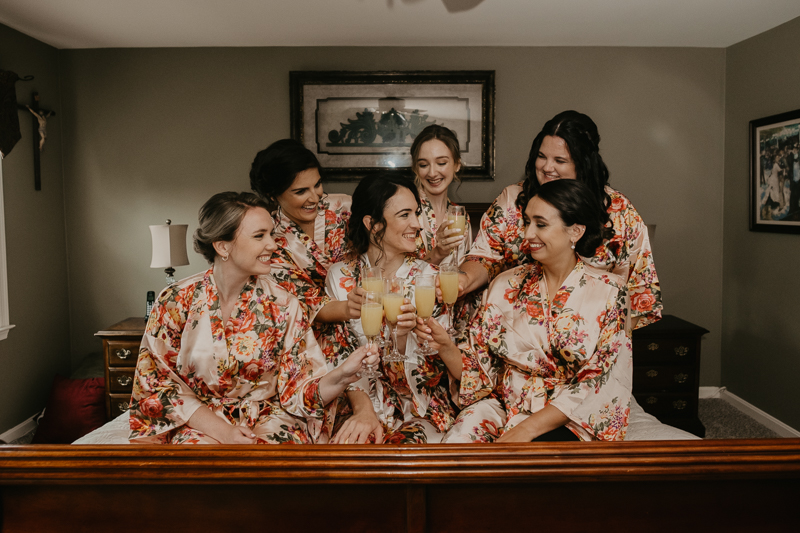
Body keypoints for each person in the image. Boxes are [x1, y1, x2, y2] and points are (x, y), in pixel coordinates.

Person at [128, 192, 378, 444]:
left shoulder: (284, 304)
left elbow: (299, 391)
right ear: (222, 246)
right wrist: (224, 432)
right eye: (260, 236)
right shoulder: (175, 300)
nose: (273, 244)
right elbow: (158, 383)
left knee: (271, 459)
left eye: (271, 234)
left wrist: (343, 374)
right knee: (198, 462)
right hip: (200, 421)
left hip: (271, 419)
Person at [417, 180, 632, 443]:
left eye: (540, 224)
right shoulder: (505, 284)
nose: (528, 234)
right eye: (526, 221)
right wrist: (445, 346)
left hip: (568, 417)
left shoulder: (611, 292)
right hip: (503, 406)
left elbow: (599, 379)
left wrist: (525, 430)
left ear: (575, 231)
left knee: (523, 468)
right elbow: (480, 372)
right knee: (459, 448)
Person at [458, 110, 661, 330]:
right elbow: (484, 258)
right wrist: (463, 281)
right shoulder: (512, 200)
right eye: (542, 156)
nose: (546, 167)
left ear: (582, 164)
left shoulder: (620, 212)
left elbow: (640, 295)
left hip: (586, 338)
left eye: (560, 160)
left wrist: (599, 343)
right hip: (514, 333)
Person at [324, 173, 457, 444]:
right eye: (405, 215)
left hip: (418, 409)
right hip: (355, 404)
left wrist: (404, 337)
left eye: (416, 214)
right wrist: (364, 409)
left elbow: (440, 367)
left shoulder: (429, 279)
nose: (417, 224)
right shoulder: (340, 277)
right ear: (372, 224)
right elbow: (337, 354)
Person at [249, 139, 361, 364]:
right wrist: (359, 305)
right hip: (313, 338)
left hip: (371, 322)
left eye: (317, 185)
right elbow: (315, 306)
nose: (315, 197)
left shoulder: (346, 208)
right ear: (273, 195)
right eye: (301, 191)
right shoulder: (270, 241)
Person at [410, 124, 471, 265]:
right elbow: (398, 276)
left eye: (441, 163)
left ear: (457, 164)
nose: (432, 173)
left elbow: (464, 269)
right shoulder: (405, 211)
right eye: (423, 165)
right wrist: (437, 253)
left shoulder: (460, 216)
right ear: (415, 168)